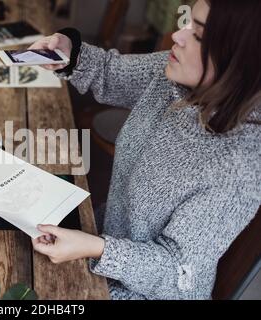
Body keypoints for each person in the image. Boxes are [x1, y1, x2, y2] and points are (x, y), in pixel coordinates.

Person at [29, 0, 261, 300]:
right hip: (102, 239)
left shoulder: (241, 165)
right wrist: (68, 52)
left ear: (241, 61)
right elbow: (110, 73)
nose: (179, 35)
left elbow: (179, 273)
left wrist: (97, 248)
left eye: (199, 36)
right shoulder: (176, 74)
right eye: (188, 22)